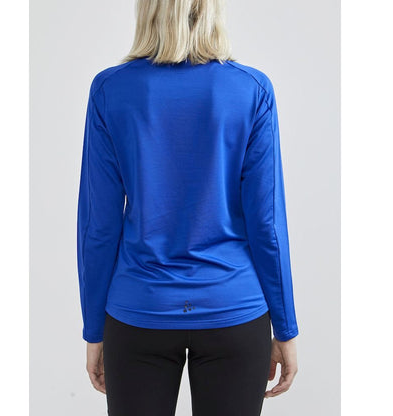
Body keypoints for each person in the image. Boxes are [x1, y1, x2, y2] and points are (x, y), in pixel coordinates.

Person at [76, 0, 299, 414]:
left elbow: (99, 226)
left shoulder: (111, 90)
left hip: (139, 310)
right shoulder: (251, 90)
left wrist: (93, 328)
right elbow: (266, 223)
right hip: (233, 310)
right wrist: (285, 327)